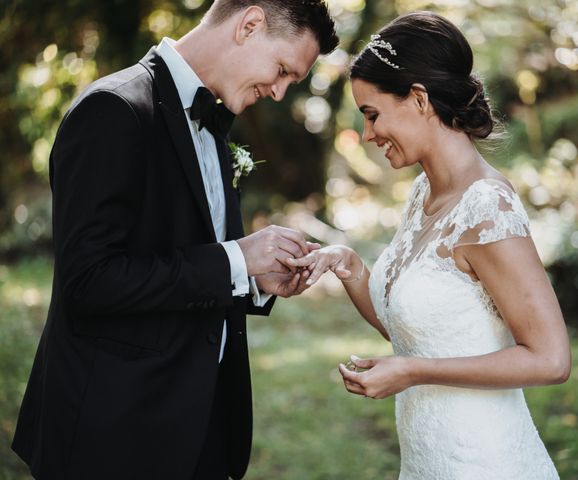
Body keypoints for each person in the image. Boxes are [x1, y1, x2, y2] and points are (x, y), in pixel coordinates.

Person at [12, 2, 338, 479]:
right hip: (116, 436)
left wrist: (254, 278)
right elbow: (88, 282)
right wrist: (235, 259)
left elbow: (188, 260)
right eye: (283, 70)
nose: (279, 91)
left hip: (198, 427)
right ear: (249, 25)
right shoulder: (114, 109)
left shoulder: (215, 120)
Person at [288, 11, 570, 479]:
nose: (367, 135)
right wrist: (347, 265)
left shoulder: (486, 208)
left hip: (484, 462)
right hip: (428, 462)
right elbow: (416, 332)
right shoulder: (424, 194)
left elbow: (551, 358)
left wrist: (412, 372)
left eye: (373, 114)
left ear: (418, 99)